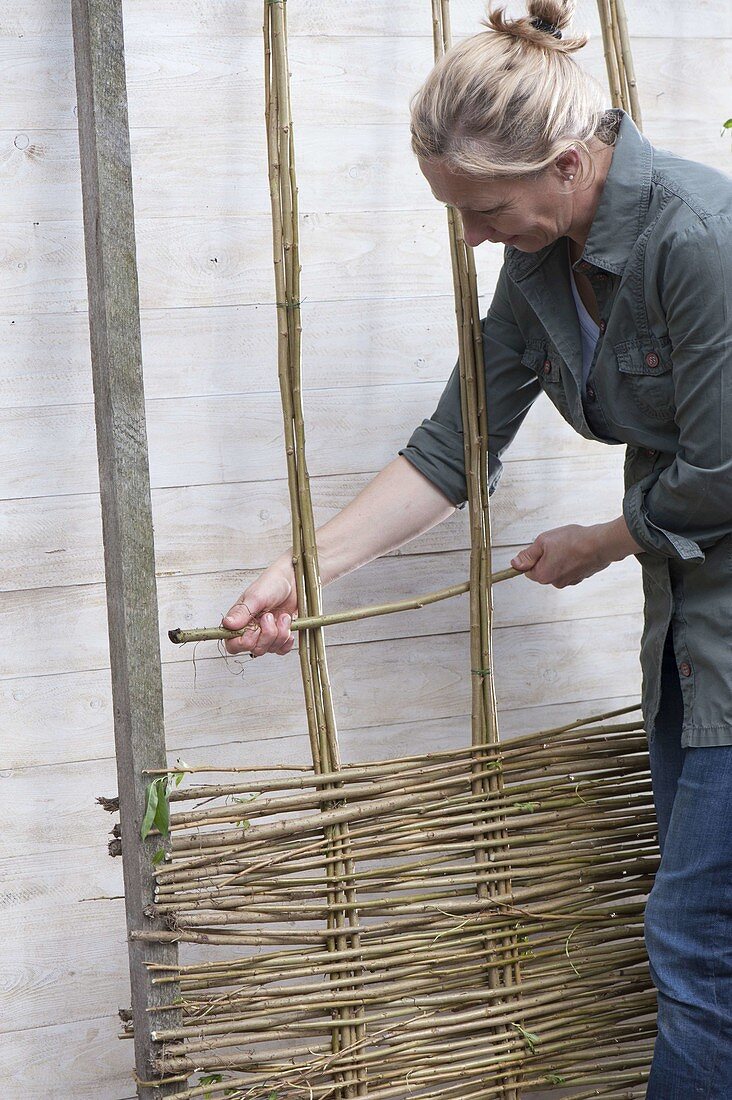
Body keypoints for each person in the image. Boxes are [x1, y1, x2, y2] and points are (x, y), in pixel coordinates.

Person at [222, 2, 732, 1094]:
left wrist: (604, 538)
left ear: (563, 163)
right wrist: (300, 572)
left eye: (486, 212)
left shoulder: (701, 235)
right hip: (695, 633)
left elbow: (730, 465)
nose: (472, 236)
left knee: (698, 942)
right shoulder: (546, 264)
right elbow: (455, 448)